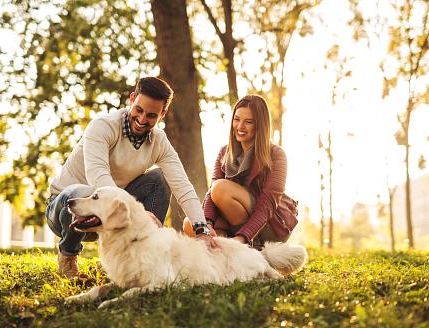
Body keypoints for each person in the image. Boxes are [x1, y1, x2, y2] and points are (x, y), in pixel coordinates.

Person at [46, 77, 218, 280]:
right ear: (132, 99)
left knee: (160, 179)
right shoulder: (103, 126)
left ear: (163, 114)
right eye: (139, 110)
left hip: (109, 215)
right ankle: (67, 257)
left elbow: (182, 185)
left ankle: (138, 255)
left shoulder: (159, 142)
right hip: (66, 207)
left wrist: (201, 229)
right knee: (83, 191)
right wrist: (139, 212)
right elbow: (98, 175)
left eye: (152, 115)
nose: (142, 119)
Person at [184, 94, 288, 249]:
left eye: (248, 122)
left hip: (267, 226)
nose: (240, 127)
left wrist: (241, 238)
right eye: (237, 119)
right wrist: (208, 225)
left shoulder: (276, 154)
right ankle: (225, 251)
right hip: (233, 220)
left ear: (260, 125)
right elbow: (210, 196)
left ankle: (249, 245)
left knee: (220, 188)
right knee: (190, 224)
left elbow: (267, 205)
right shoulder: (224, 152)